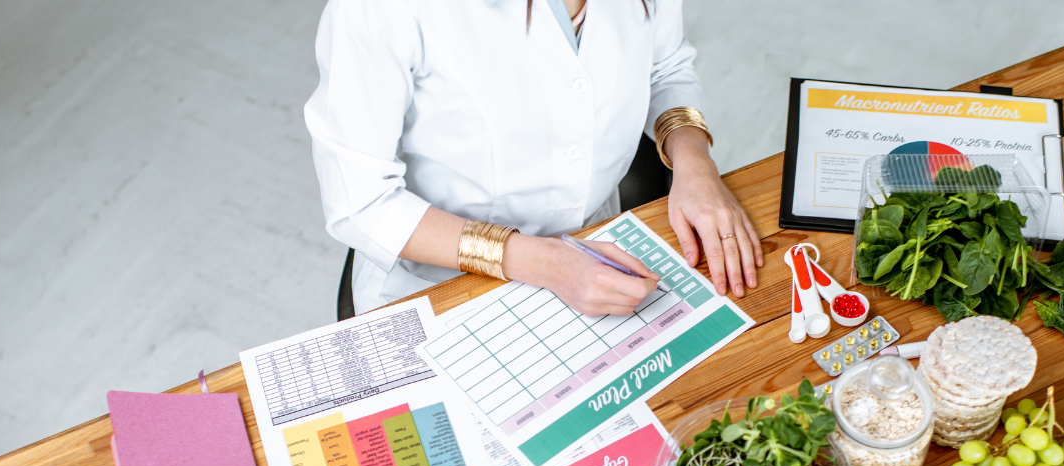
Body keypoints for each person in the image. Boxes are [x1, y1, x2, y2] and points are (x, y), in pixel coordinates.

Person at [304, 0, 762, 317]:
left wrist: (694, 162)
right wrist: (542, 262)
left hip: (596, 249)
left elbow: (666, 65)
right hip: (440, 282)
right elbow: (361, 200)